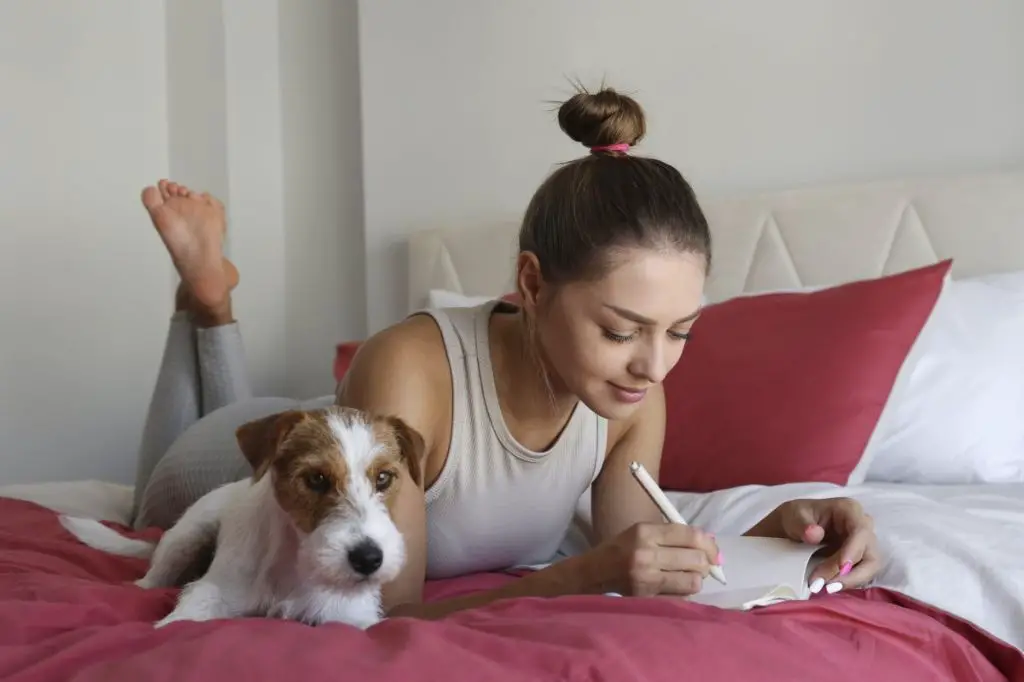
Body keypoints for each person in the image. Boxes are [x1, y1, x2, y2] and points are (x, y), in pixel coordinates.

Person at [132, 86, 881, 620]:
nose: (653, 365)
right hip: (264, 457)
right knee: (162, 484)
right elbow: (384, 613)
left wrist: (785, 541)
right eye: (621, 331)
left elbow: (647, 560)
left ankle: (209, 302)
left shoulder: (632, 397)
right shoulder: (410, 367)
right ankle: (210, 306)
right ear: (531, 282)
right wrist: (578, 576)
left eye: (680, 330)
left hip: (340, 437)